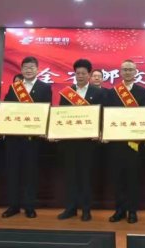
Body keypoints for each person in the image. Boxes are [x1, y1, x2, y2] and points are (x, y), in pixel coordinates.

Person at [1, 56, 52, 219]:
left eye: (31, 67)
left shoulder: (44, 87)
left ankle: (29, 206)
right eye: (25, 67)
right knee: (13, 172)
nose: (28, 70)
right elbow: (7, 109)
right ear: (21, 70)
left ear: (37, 69)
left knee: (30, 173)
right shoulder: (15, 87)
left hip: (32, 139)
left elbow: (47, 110)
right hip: (14, 138)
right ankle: (13, 206)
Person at [56, 59, 103, 222]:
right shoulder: (67, 92)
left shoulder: (98, 92)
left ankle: (86, 210)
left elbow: (102, 115)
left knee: (85, 177)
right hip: (70, 142)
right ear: (74, 74)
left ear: (89, 75)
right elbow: (61, 115)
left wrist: (99, 131)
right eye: (78, 73)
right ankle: (70, 208)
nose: (80, 76)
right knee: (70, 176)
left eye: (84, 73)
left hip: (88, 142)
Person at [105, 59, 145, 224]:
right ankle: (119, 210)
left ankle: (132, 211)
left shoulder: (142, 92)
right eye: (125, 69)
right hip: (116, 142)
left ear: (136, 72)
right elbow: (107, 114)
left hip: (134, 143)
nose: (128, 72)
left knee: (133, 179)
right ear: (120, 72)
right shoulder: (112, 92)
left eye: (131, 69)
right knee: (118, 178)